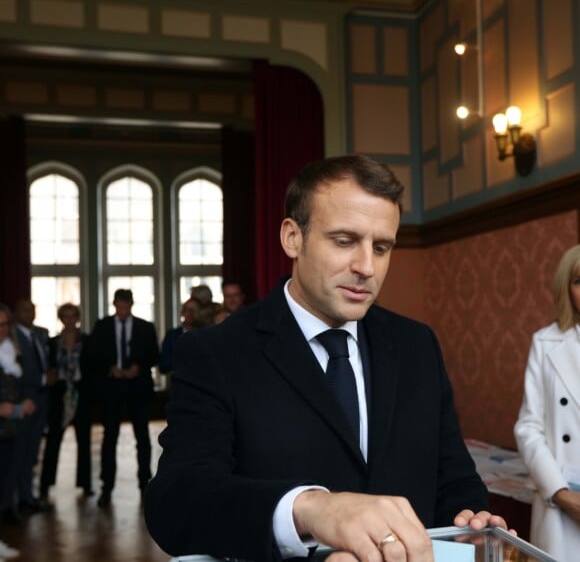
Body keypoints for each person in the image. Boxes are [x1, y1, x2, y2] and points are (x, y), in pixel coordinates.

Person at [145, 155, 510, 561]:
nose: (367, 267)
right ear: (292, 238)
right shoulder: (216, 352)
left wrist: (468, 523)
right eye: (344, 241)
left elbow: (454, 477)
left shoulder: (416, 345)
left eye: (382, 247)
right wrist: (310, 508)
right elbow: (176, 503)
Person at [514, 244, 580, 560]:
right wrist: (561, 493)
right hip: (560, 504)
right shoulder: (545, 342)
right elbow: (529, 426)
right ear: (566, 289)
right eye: (579, 281)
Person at [87, 289, 159, 507]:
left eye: (126, 306)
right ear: (114, 304)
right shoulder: (102, 326)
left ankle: (145, 485)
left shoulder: (145, 327)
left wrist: (138, 367)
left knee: (143, 439)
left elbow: (154, 355)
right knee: (110, 438)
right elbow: (93, 355)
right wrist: (111, 369)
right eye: (120, 306)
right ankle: (107, 487)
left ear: (132, 305)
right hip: (111, 389)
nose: (123, 310)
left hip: (138, 389)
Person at [39, 303, 94, 501]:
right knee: (53, 441)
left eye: (73, 316)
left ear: (78, 318)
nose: (69, 320)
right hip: (59, 397)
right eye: (65, 316)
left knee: (84, 441)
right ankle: (45, 483)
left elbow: (93, 369)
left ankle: (86, 484)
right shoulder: (52, 343)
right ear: (60, 319)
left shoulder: (87, 341)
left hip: (82, 397)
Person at [10, 299, 54, 515]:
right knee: (19, 452)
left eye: (33, 309)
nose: (30, 313)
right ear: (16, 312)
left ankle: (28, 495)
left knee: (32, 452)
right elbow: (14, 374)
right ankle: (15, 499)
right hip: (23, 401)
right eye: (25, 309)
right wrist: (43, 380)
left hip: (42, 400)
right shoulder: (11, 337)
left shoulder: (39, 334)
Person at [0, 303, 36, 538]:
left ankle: (7, 508)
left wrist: (25, 402)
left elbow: (17, 383)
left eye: (4, 324)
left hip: (10, 426)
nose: (1, 329)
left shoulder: (9, 348)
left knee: (9, 470)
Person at [159, 299, 200, 374]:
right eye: (187, 310)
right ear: (182, 313)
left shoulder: (204, 334)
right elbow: (163, 365)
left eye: (193, 310)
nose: (190, 314)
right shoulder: (172, 335)